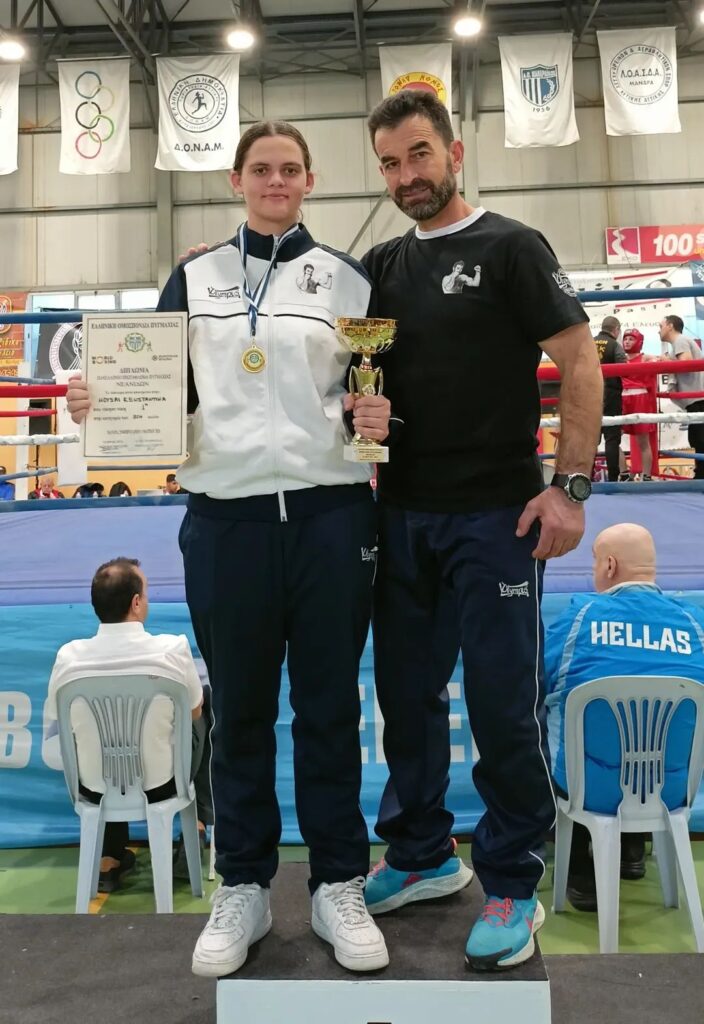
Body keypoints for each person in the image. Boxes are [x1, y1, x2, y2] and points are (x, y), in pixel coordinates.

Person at [66, 120, 391, 978]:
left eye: (290, 169)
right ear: (236, 180)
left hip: (330, 518)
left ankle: (338, 882)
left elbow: (377, 391)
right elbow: (158, 393)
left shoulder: (348, 279)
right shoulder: (195, 277)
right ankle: (243, 883)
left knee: (329, 710)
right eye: (261, 168)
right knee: (241, 713)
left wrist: (382, 416)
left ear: (310, 180)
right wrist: (101, 404)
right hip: (226, 523)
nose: (276, 181)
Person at [358, 89, 603, 972]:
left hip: (498, 515)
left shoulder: (512, 246)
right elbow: (339, 359)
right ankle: (422, 853)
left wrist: (569, 489)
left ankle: (510, 879)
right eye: (390, 164)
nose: (406, 176)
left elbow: (580, 359)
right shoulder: (381, 263)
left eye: (419, 155)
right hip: (401, 514)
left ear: (455, 153)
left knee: (501, 703)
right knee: (407, 699)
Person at [544, 524, 704, 910]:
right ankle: (632, 850)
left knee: (551, 727)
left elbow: (536, 683)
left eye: (595, 562)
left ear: (610, 566)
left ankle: (581, 870)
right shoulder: (695, 625)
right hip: (671, 791)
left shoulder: (579, 618)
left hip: (590, 791)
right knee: (652, 733)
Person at [46, 558, 207, 893]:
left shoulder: (68, 657)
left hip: (93, 788)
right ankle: (199, 825)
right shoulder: (172, 649)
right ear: (136, 603)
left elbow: (57, 727)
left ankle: (108, 857)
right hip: (162, 784)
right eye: (146, 593)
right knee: (205, 705)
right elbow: (194, 714)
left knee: (103, 745)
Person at [659, 315, 704, 480]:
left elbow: (686, 364)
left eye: (661, 326)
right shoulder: (679, 343)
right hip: (695, 399)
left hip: (697, 398)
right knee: (697, 439)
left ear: (670, 326)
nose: (659, 330)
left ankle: (701, 475)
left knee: (699, 439)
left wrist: (665, 361)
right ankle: (701, 474)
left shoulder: (680, 341)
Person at [619, 328, 658, 482]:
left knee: (643, 441)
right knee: (613, 438)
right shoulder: (619, 358)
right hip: (622, 397)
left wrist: (657, 360)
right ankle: (623, 473)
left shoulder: (645, 358)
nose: (627, 342)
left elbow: (660, 361)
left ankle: (646, 476)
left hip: (640, 398)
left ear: (639, 342)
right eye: (625, 339)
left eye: (631, 339)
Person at [593, 316, 626, 482]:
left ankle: (586, 477)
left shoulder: (589, 343)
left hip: (590, 394)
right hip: (611, 394)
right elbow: (624, 369)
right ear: (616, 329)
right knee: (611, 438)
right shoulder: (614, 345)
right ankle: (613, 480)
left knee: (590, 438)